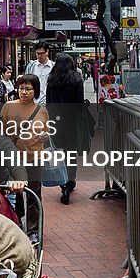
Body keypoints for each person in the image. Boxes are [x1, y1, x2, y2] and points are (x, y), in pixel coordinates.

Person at [1, 74, 49, 242]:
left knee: (33, 193)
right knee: (15, 192)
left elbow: (46, 134)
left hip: (35, 157)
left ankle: (33, 229)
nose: (24, 92)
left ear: (35, 90)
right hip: (14, 159)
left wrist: (45, 136)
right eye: (21, 88)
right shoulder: (8, 107)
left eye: (28, 89)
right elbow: (1, 132)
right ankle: (17, 222)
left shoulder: (41, 110)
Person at [46, 53, 93, 205]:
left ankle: (62, 183)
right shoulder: (76, 78)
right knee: (71, 154)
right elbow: (78, 103)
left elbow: (48, 103)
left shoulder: (52, 79)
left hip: (56, 121)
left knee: (59, 152)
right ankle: (70, 182)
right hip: (72, 122)